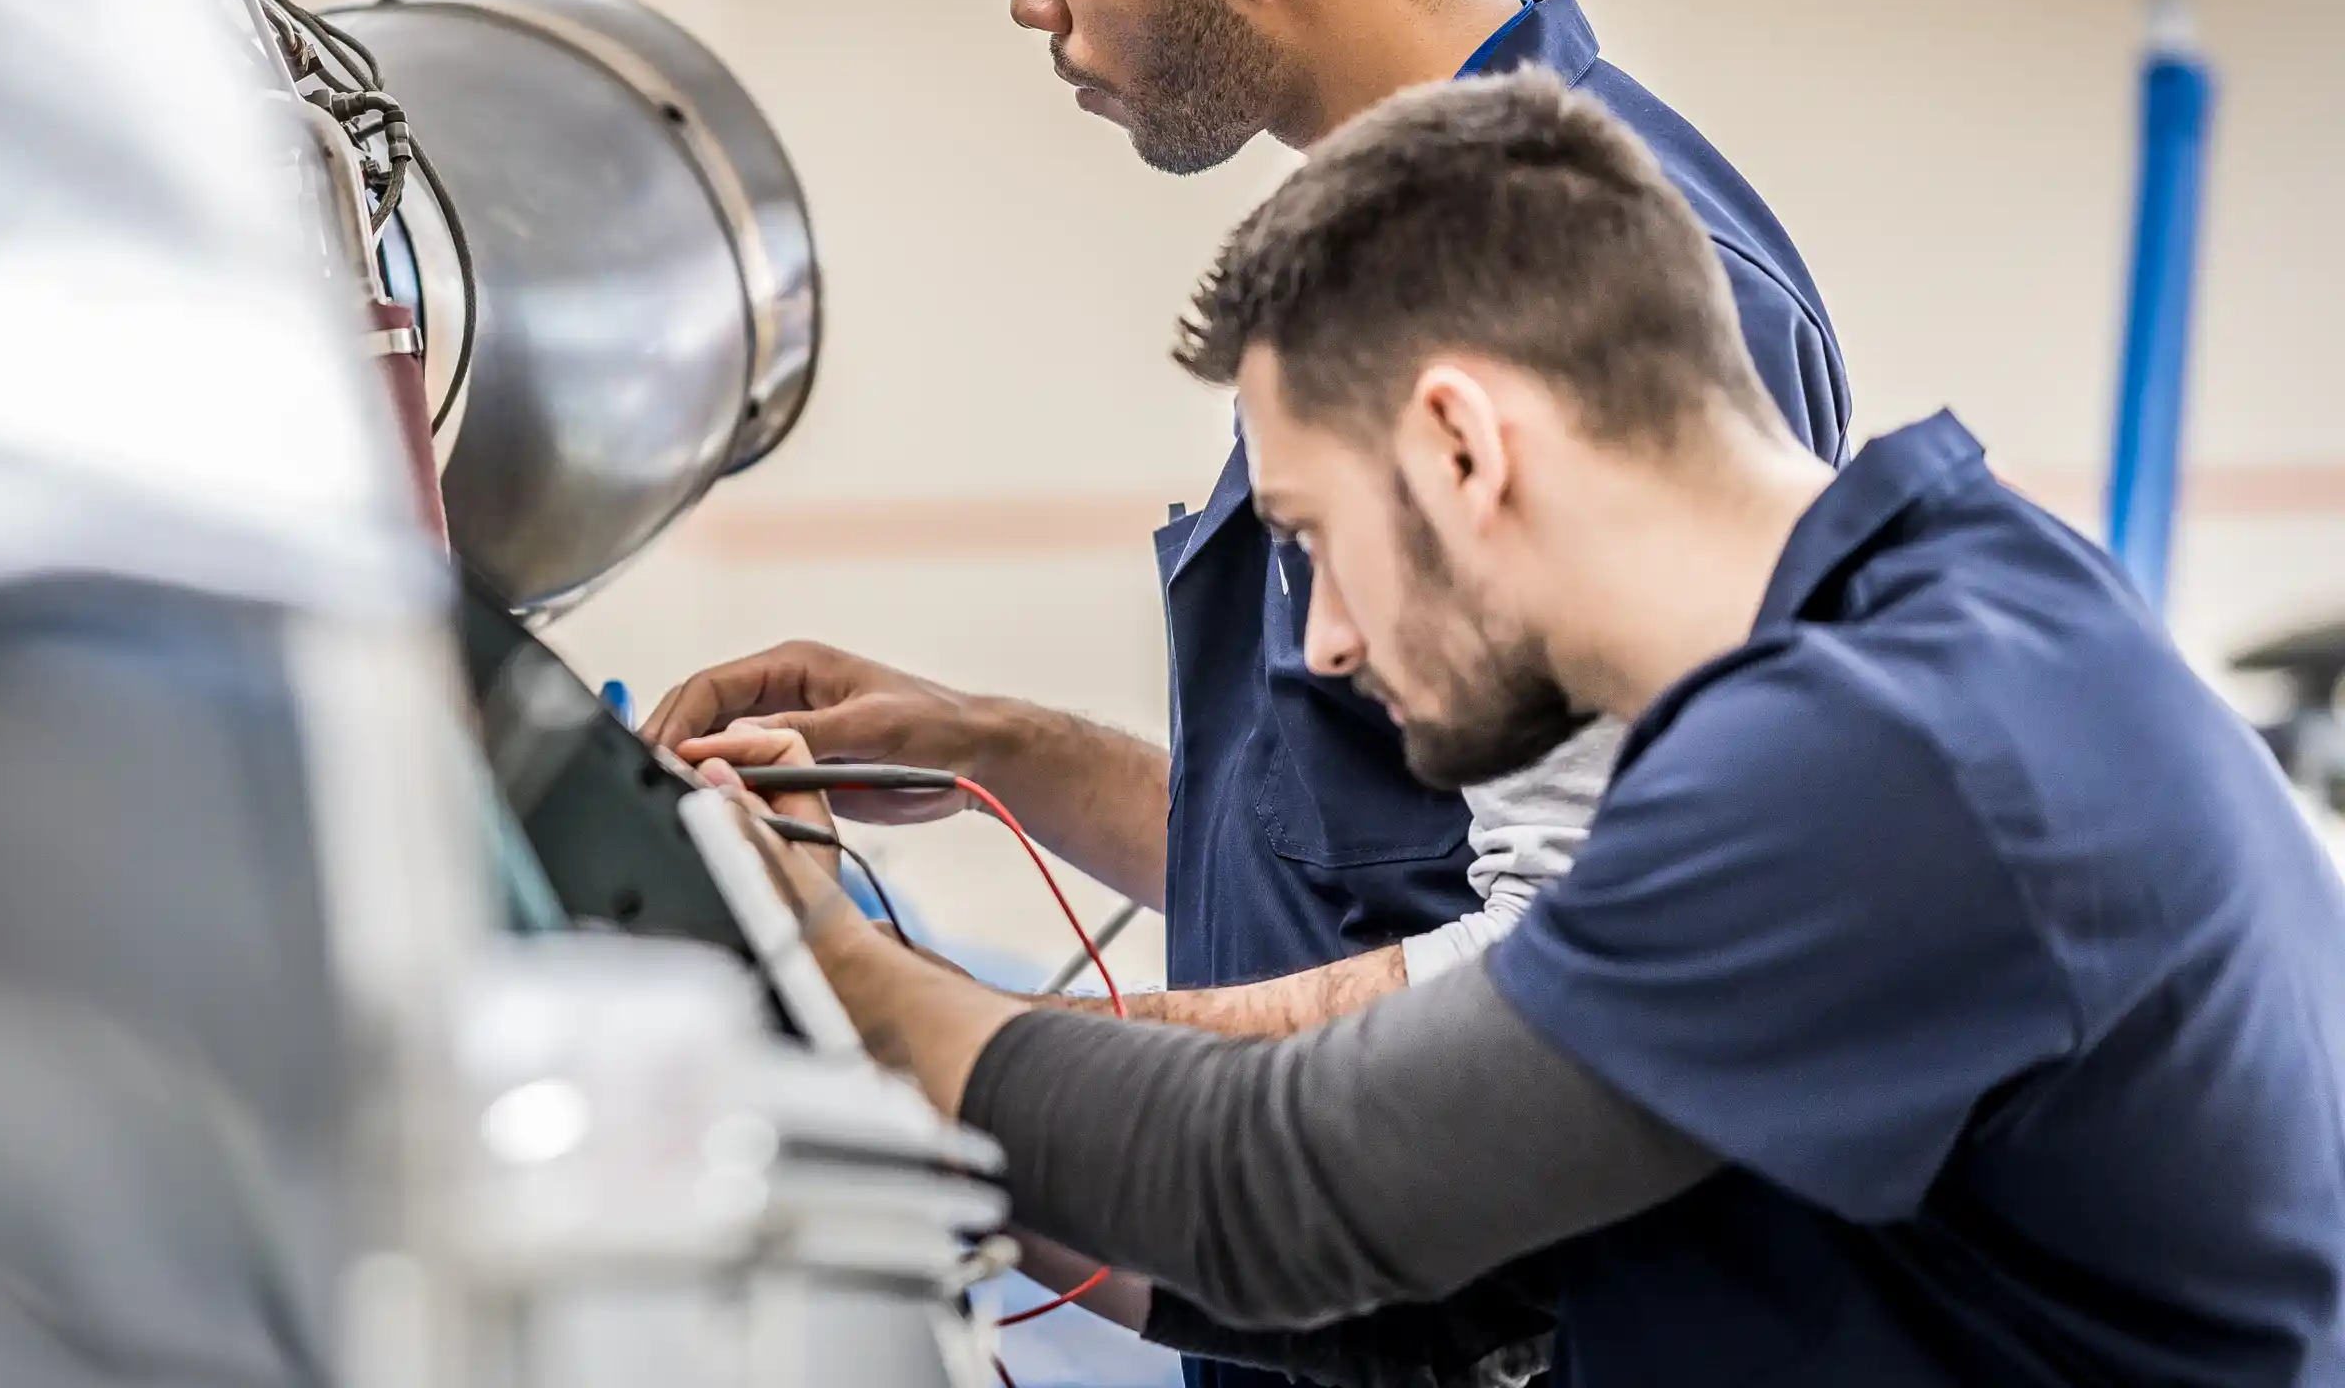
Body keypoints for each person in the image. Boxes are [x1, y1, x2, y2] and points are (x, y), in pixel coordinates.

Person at [693, 70, 2345, 1387]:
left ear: (1464, 446)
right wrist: (958, 1142)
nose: (1324, 645)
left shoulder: (1898, 752)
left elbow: (1294, 1180)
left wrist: (814, 956)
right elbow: (1448, 1280)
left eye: (1314, 539)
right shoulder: (1923, 638)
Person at [648, 0, 1849, 1051]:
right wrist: (982, 749)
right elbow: (1351, 860)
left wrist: (961, 1043)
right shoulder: (1393, 258)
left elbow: (1613, 951)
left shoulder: (1569, 290)